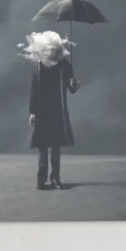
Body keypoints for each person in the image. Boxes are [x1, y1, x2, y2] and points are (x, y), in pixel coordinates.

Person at [19, 31, 79, 189]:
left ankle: (55, 178)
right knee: (42, 146)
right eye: (50, 49)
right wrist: (32, 112)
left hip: (57, 109)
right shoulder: (39, 66)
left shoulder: (65, 65)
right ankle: (41, 177)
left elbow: (71, 88)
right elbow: (34, 91)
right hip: (42, 109)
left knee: (56, 145)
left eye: (55, 49)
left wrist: (74, 84)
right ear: (45, 49)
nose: (52, 52)